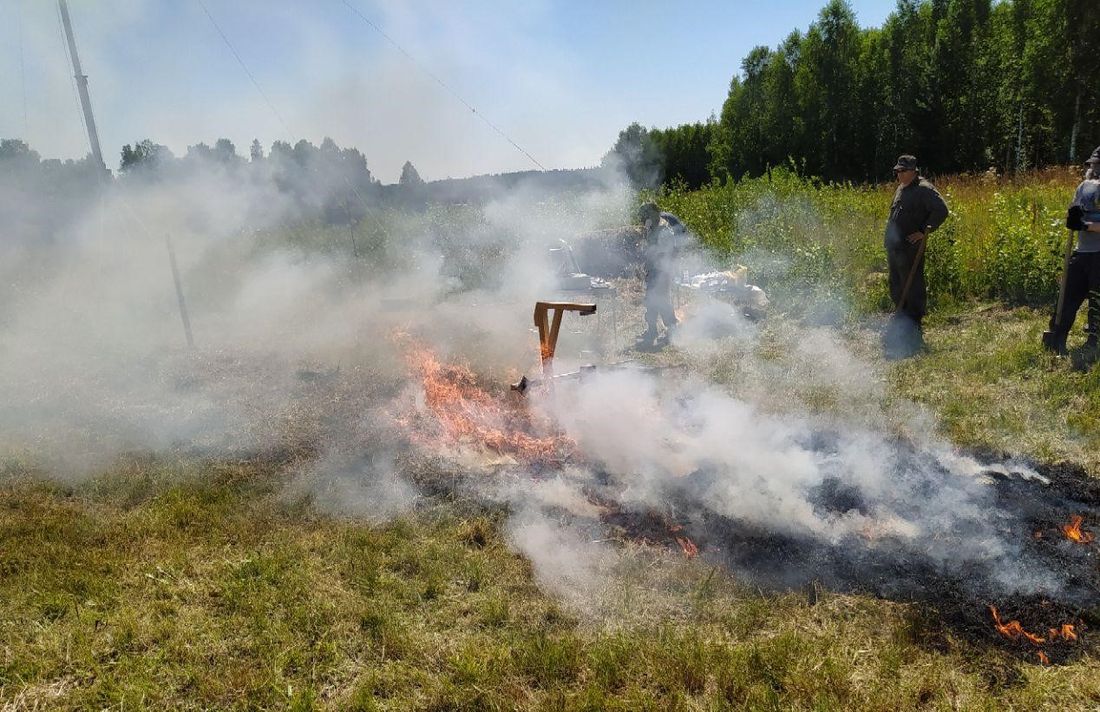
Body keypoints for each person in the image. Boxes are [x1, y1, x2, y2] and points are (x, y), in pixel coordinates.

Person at [884, 155, 949, 354]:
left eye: (902, 171)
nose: (899, 174)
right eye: (897, 171)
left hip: (910, 247)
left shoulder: (924, 189)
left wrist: (923, 231)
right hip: (895, 246)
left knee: (912, 286)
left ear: (913, 171)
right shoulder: (901, 188)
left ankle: (914, 324)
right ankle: (902, 319)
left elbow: (942, 210)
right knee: (896, 283)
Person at [1044, 146, 1100, 355]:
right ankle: (1058, 335)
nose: (1095, 168)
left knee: (1097, 299)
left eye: (1098, 164)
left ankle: (1094, 342)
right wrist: (1073, 218)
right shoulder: (1084, 187)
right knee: (1068, 294)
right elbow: (1074, 212)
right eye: (1094, 164)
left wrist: (1086, 226)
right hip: (1082, 251)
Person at [637, 202, 680, 347]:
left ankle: (673, 330)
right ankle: (651, 329)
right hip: (654, 270)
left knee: (661, 300)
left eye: (646, 215)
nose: (644, 219)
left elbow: (668, 253)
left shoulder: (664, 231)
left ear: (654, 214)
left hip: (662, 271)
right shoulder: (652, 229)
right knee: (650, 300)